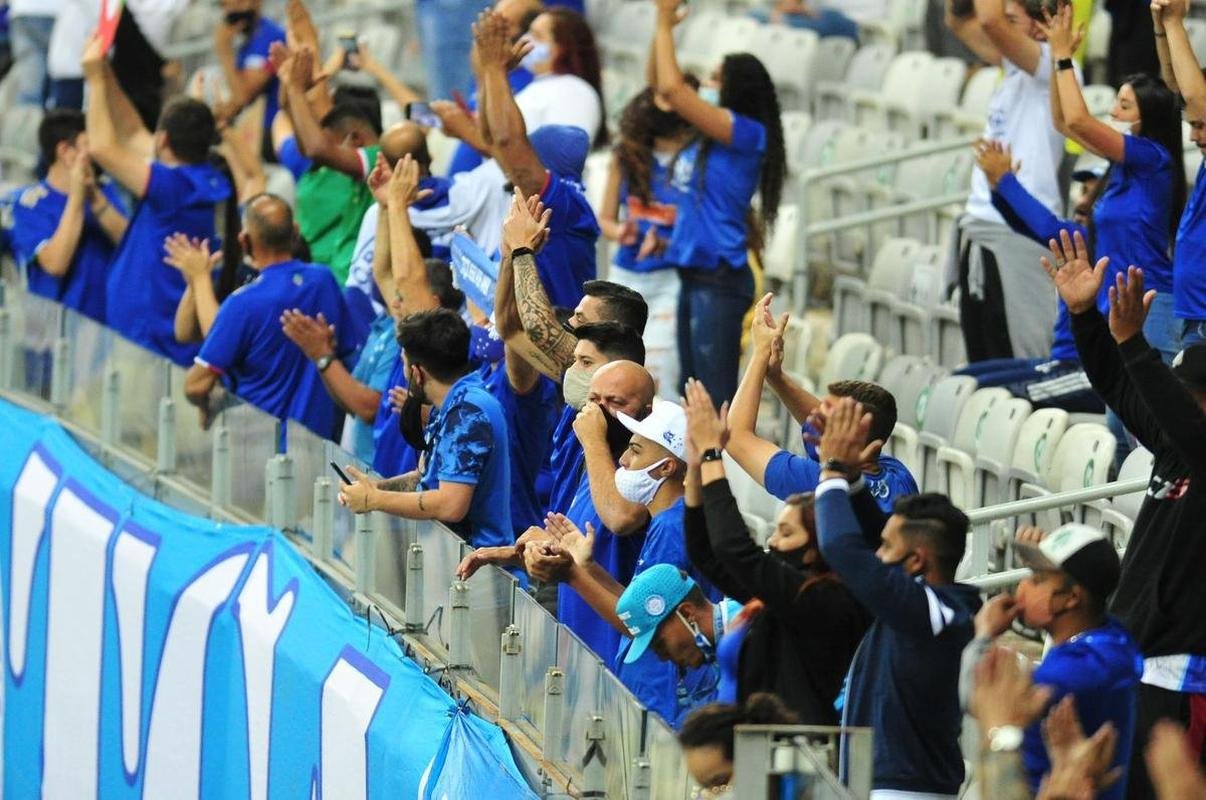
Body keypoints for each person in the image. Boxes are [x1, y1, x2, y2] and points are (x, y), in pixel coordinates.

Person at [1044, 229, 1206, 800]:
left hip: (1187, 681)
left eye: (1194, 394)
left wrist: (1137, 344)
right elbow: (1116, 383)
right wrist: (1086, 316)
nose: (1179, 401)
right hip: (1137, 661)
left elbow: (1186, 423)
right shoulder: (1172, 446)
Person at [815, 396, 980, 798]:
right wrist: (853, 480)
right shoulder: (924, 600)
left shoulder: (934, 613)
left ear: (917, 562)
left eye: (888, 549)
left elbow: (841, 548)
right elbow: (876, 535)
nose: (878, 556)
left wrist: (832, 471)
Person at [680, 378, 871, 723]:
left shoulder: (826, 600)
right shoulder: (788, 589)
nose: (773, 542)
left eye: (786, 533)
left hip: (800, 757)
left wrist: (712, 455)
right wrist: (696, 467)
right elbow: (705, 552)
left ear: (815, 548)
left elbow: (733, 548)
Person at [533, 399, 723, 727]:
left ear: (666, 467)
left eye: (635, 451)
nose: (623, 460)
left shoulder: (671, 527)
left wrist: (574, 574)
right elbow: (638, 604)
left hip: (665, 703)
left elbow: (641, 621)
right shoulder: (668, 521)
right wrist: (589, 566)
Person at [650, 0, 786, 402]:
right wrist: (662, 32)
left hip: (720, 278)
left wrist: (662, 21)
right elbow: (662, 91)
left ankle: (720, 466)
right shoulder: (709, 136)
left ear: (736, 87)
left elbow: (674, 91)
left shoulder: (747, 133)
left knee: (716, 397)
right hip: (693, 274)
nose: (708, 85)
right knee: (691, 392)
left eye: (715, 78)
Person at [1042, 2, 1186, 363]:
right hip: (1117, 311)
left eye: (1123, 106)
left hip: (1151, 308)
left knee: (1143, 418)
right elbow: (1062, 121)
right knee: (1117, 421)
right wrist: (1057, 57)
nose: (1112, 113)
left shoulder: (1152, 158)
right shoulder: (1120, 168)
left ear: (1147, 118)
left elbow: (1077, 119)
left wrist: (1062, 60)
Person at [83, 34, 237, 367]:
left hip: (150, 348)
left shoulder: (173, 187)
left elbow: (102, 148)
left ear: (164, 139)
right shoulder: (203, 177)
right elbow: (133, 130)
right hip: (149, 340)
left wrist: (95, 81)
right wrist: (107, 73)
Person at [961, 524, 1142, 799]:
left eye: (1037, 580)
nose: (1023, 587)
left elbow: (977, 698)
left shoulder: (1072, 673)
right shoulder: (1112, 639)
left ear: (1071, 597)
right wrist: (1052, 557)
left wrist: (983, 636)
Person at [945, 0, 1068, 362]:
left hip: (1019, 233)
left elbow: (989, 18)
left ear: (1037, 27)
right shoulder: (1012, 68)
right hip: (982, 227)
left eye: (1013, 20)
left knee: (1020, 361)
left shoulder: (1048, 64)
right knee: (983, 357)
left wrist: (996, 16)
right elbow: (958, 20)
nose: (998, 28)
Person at [184, 194, 361, 439]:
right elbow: (345, 354)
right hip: (320, 448)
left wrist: (206, 403)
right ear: (295, 232)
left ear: (244, 241)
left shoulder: (242, 303)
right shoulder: (324, 280)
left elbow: (194, 385)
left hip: (258, 448)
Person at [338, 308, 514, 550]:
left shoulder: (468, 412)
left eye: (403, 363)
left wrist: (374, 500)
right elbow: (425, 478)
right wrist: (376, 487)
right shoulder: (453, 403)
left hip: (483, 576)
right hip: (453, 566)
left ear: (417, 373)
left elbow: (451, 504)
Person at [727, 294, 916, 512]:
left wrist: (759, 353)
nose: (815, 420)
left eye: (826, 422)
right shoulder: (898, 476)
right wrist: (775, 376)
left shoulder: (818, 483)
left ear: (854, 437)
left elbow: (736, 437)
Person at [962, 140, 1104, 412]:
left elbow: (1046, 227)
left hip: (1082, 370)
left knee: (989, 400)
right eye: (1083, 192)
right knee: (962, 381)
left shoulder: (1102, 242)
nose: (1083, 202)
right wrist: (997, 190)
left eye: (1095, 196)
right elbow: (1025, 225)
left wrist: (1005, 182)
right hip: (1058, 363)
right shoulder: (1081, 235)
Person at [475, 11, 600, 308]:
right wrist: (492, 73)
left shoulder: (560, 202)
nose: (528, 40)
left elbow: (509, 143)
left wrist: (492, 70)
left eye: (540, 35)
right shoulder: (533, 86)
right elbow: (494, 140)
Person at [600, 88, 694, 397]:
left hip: (670, 279)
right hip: (626, 276)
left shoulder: (694, 163)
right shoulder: (626, 158)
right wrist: (621, 233)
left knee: (659, 370)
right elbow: (605, 219)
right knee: (610, 364)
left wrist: (665, 243)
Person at [7, 109, 128, 323]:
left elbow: (132, 247)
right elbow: (55, 264)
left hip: (108, 331)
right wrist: (76, 197)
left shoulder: (105, 192)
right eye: (87, 145)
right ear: (65, 151)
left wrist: (95, 199)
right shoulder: (27, 203)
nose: (96, 153)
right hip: (51, 333)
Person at [279, 45, 381, 285]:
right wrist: (289, 86)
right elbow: (308, 147)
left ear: (356, 139)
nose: (330, 159)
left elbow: (318, 148)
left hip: (363, 287)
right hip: (336, 279)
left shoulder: (380, 158)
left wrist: (295, 90)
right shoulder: (341, 171)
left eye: (336, 147)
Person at [1151, 0, 1206, 349]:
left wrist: (1174, 23)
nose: (1192, 135)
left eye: (1200, 126)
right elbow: (1176, 85)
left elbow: (1195, 97)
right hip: (1193, 318)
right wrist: (1162, 24)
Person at [677, 694, 801, 799]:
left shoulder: (801, 790)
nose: (713, 796)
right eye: (705, 788)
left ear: (754, 757)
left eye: (721, 782)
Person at [213, 0, 286, 139]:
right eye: (224, 5)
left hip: (274, 130)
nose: (230, 12)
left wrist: (224, 50)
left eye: (238, 3)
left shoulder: (271, 37)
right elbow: (236, 101)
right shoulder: (247, 42)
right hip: (256, 128)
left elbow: (243, 97)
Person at [9, 0, 60, 106]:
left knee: (30, 81)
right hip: (58, 10)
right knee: (58, 78)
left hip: (23, 10)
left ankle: (28, 119)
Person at [748, 0, 861, 41]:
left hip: (846, 22)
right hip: (816, 15)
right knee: (756, 14)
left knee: (761, 16)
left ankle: (782, 21)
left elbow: (829, 18)